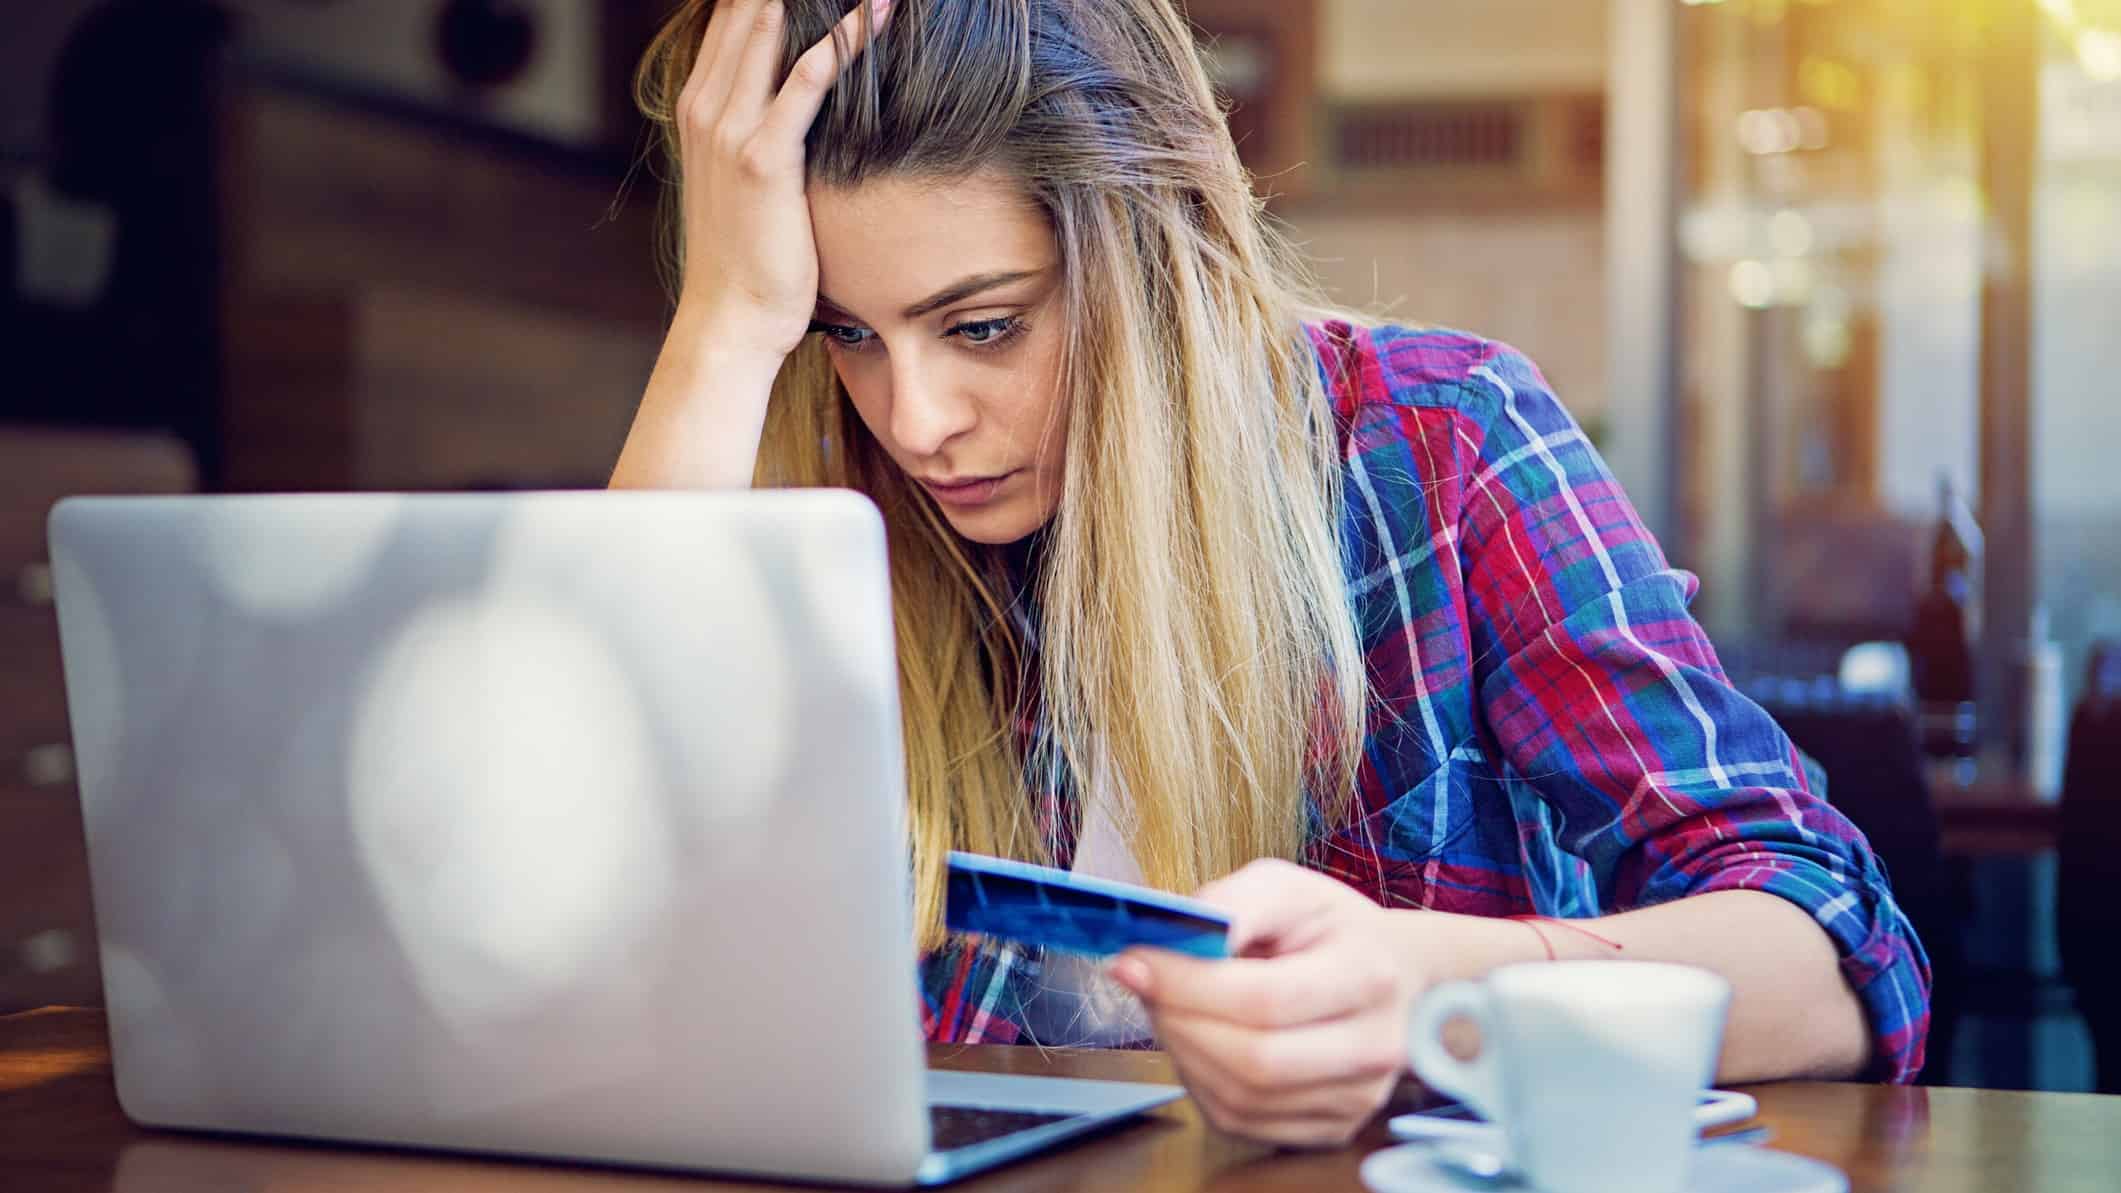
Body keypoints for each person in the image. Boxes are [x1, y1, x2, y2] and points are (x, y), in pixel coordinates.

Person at [610, 0, 1930, 1146]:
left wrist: (1433, 987)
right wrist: (722, 332)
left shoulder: (1442, 436)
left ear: (1158, 254)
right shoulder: (841, 505)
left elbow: (1838, 954)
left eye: (985, 325)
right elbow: (585, 923)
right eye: (846, 334)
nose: (916, 418)